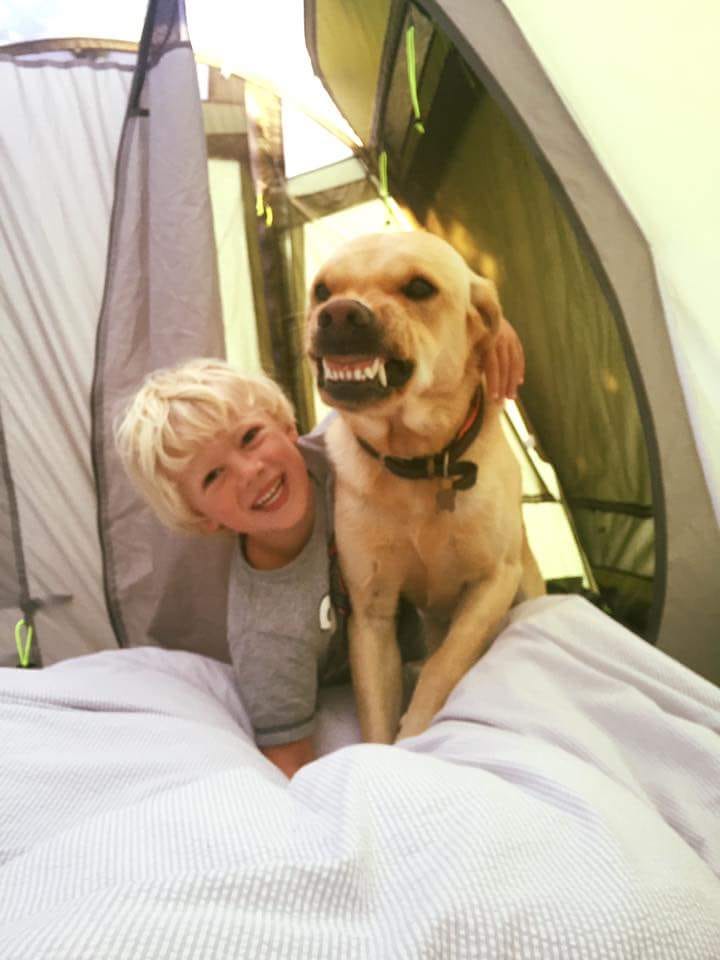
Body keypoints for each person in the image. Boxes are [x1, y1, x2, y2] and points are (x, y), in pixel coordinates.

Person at [114, 326, 524, 779]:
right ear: (202, 518)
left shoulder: (353, 451)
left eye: (250, 437)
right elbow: (289, 761)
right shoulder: (267, 630)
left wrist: (492, 332)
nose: (250, 471)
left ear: (286, 426)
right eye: (213, 476)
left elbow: (422, 360)